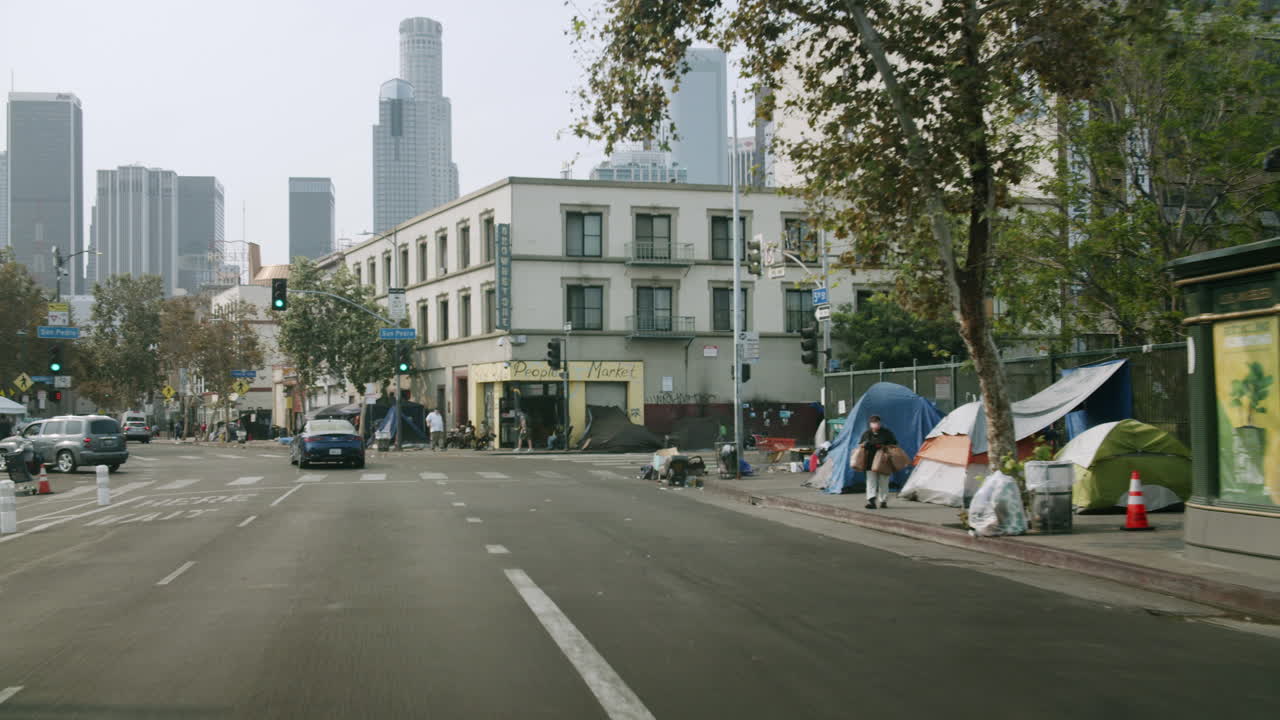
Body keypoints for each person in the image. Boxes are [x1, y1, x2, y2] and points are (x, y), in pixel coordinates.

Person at [858, 414, 899, 509]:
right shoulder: (866, 434)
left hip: (884, 460)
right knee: (871, 481)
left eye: (877, 422)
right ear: (870, 424)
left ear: (880, 423)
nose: (875, 424)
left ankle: (883, 501)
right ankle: (871, 501)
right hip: (869, 461)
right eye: (873, 422)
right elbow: (861, 444)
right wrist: (865, 445)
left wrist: (883, 446)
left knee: (883, 481)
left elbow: (894, 443)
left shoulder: (887, 433)